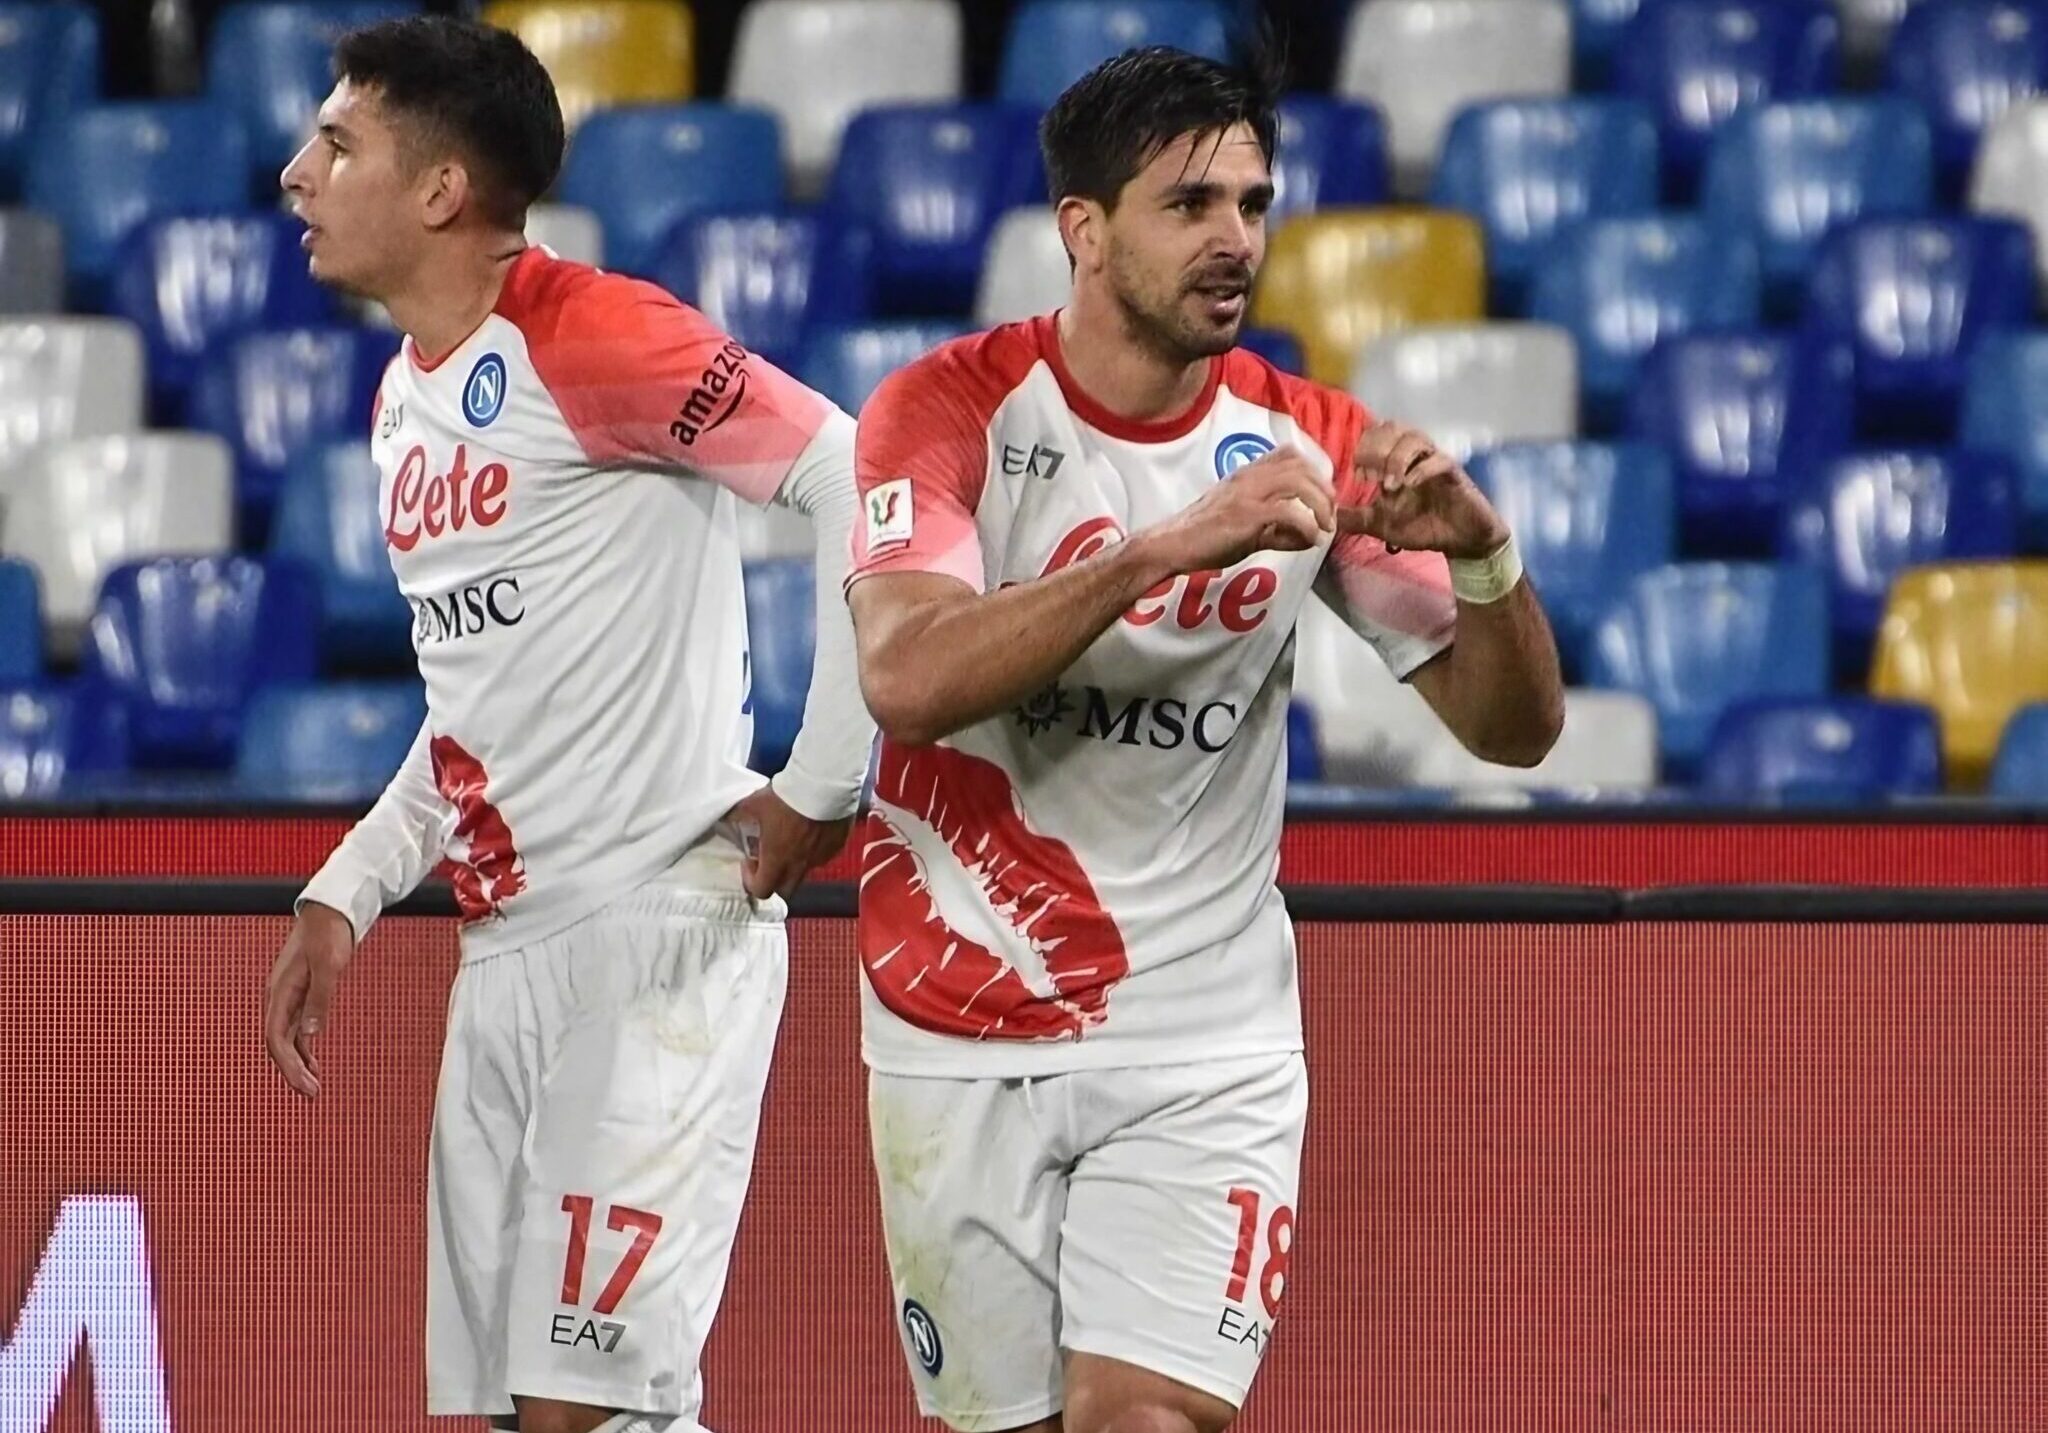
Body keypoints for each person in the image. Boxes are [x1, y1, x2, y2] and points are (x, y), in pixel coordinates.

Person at [845, 46, 1565, 1433]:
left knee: (1141, 1421)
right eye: (1191, 204)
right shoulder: (944, 414)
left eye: (1253, 200)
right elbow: (910, 675)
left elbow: (1514, 730)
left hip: (1206, 1035)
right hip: (957, 1030)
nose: (1237, 237)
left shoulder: (1311, 440)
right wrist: (1163, 551)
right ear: (1085, 230)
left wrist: (1485, 560)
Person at [258, 18, 872, 1433]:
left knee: (573, 1411)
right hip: (504, 955)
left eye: (337, 143)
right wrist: (346, 890)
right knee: (539, 1417)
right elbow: (475, 702)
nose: (297, 173)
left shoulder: (593, 331)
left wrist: (824, 781)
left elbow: (846, 468)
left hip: (657, 929)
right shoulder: (405, 403)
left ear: (439, 190)